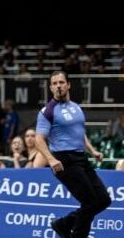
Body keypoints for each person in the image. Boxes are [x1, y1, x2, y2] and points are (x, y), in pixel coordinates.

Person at [34, 71, 111, 238]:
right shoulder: (47, 111)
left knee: (104, 200)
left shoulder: (76, 107)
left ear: (68, 85)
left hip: (81, 158)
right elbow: (38, 139)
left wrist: (92, 150)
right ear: (50, 87)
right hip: (64, 160)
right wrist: (51, 159)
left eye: (61, 82)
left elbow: (79, 132)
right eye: (54, 83)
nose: (58, 86)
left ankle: (63, 224)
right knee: (90, 202)